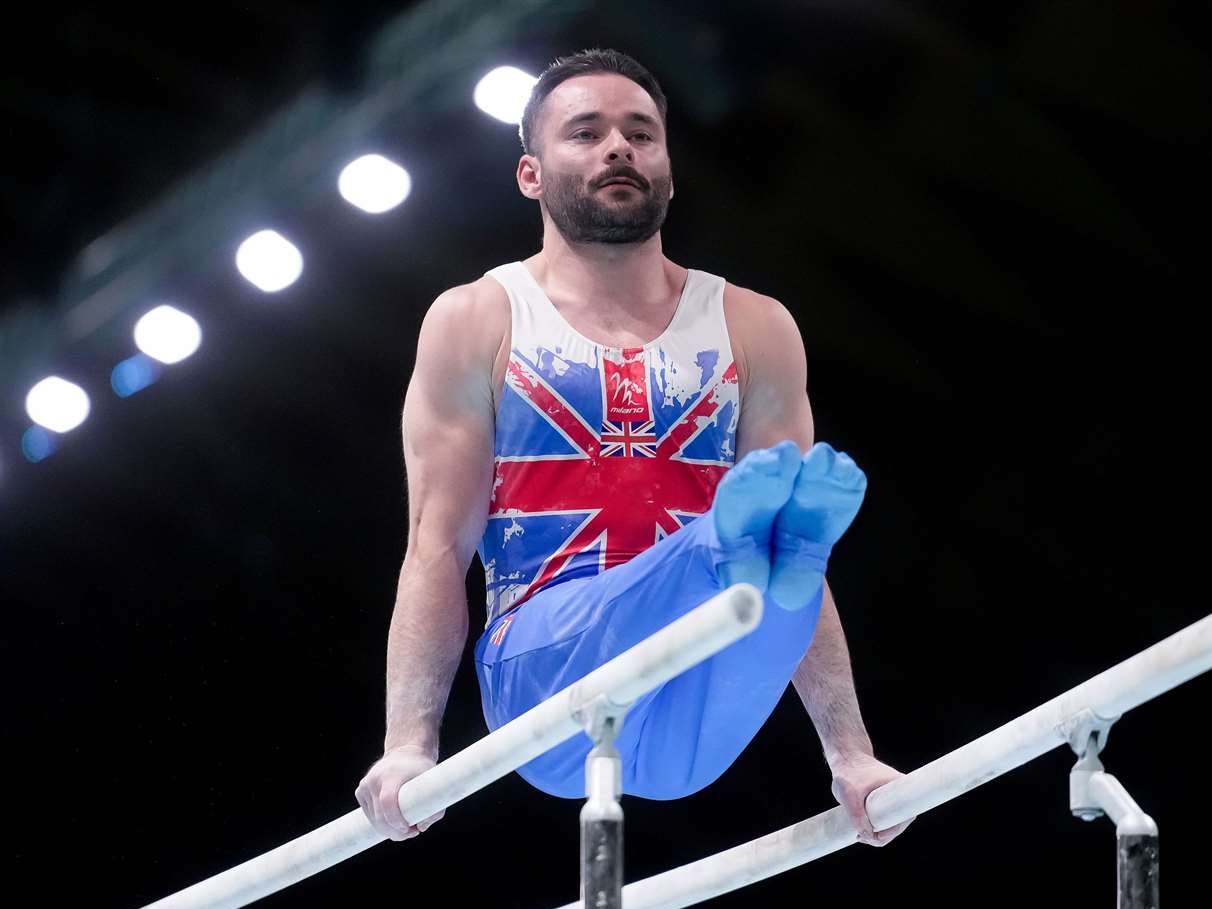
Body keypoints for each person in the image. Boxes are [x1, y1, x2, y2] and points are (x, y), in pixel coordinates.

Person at [355, 48, 913, 850]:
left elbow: (799, 581)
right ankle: (733, 540)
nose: (620, 147)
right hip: (544, 686)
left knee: (787, 565)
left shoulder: (756, 326)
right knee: (747, 546)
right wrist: (409, 746)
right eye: (586, 132)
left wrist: (852, 757)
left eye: (641, 134)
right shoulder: (477, 318)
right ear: (530, 175)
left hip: (698, 701)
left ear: (670, 172)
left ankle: (748, 543)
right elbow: (437, 547)